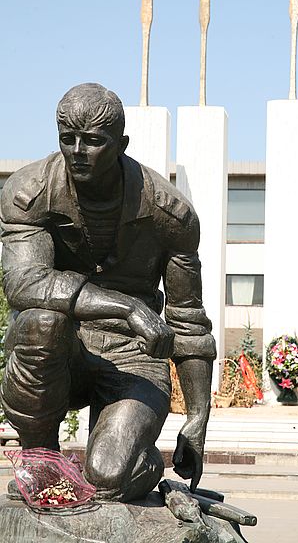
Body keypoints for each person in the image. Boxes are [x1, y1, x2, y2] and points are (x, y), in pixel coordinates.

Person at [0, 83, 216, 502]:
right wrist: (127, 306)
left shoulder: (169, 213)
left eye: (94, 141)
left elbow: (188, 318)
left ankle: (140, 462)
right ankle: (41, 458)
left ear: (121, 144)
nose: (78, 151)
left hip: (134, 357)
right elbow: (24, 284)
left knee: (106, 478)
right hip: (68, 348)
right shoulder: (28, 193)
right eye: (68, 139)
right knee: (39, 322)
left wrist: (198, 417)